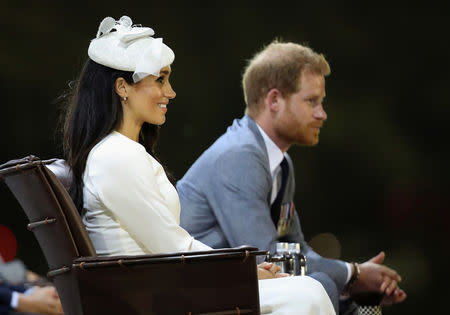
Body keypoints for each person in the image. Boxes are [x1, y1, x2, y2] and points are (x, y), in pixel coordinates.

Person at [62, 15, 336, 314]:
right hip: (154, 300)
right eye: (161, 79)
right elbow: (173, 249)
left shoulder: (120, 153)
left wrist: (246, 272)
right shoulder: (116, 157)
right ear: (122, 87)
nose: (171, 92)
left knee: (306, 288)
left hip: (161, 291)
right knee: (307, 292)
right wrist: (245, 272)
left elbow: (173, 247)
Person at [176, 41, 407, 314]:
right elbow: (267, 255)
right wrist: (352, 274)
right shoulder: (238, 156)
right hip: (195, 294)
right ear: (274, 100)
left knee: (356, 300)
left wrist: (355, 282)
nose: (322, 113)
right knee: (321, 286)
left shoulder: (280, 162)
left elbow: (295, 249)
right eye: (312, 101)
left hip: (232, 289)